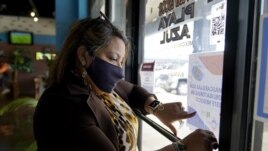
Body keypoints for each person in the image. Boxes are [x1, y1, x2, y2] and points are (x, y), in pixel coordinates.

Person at [33, 12, 218, 151]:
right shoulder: (63, 104)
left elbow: (131, 91)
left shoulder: (97, 84)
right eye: (113, 58)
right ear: (83, 55)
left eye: (122, 62)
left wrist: (157, 108)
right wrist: (182, 147)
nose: (119, 71)